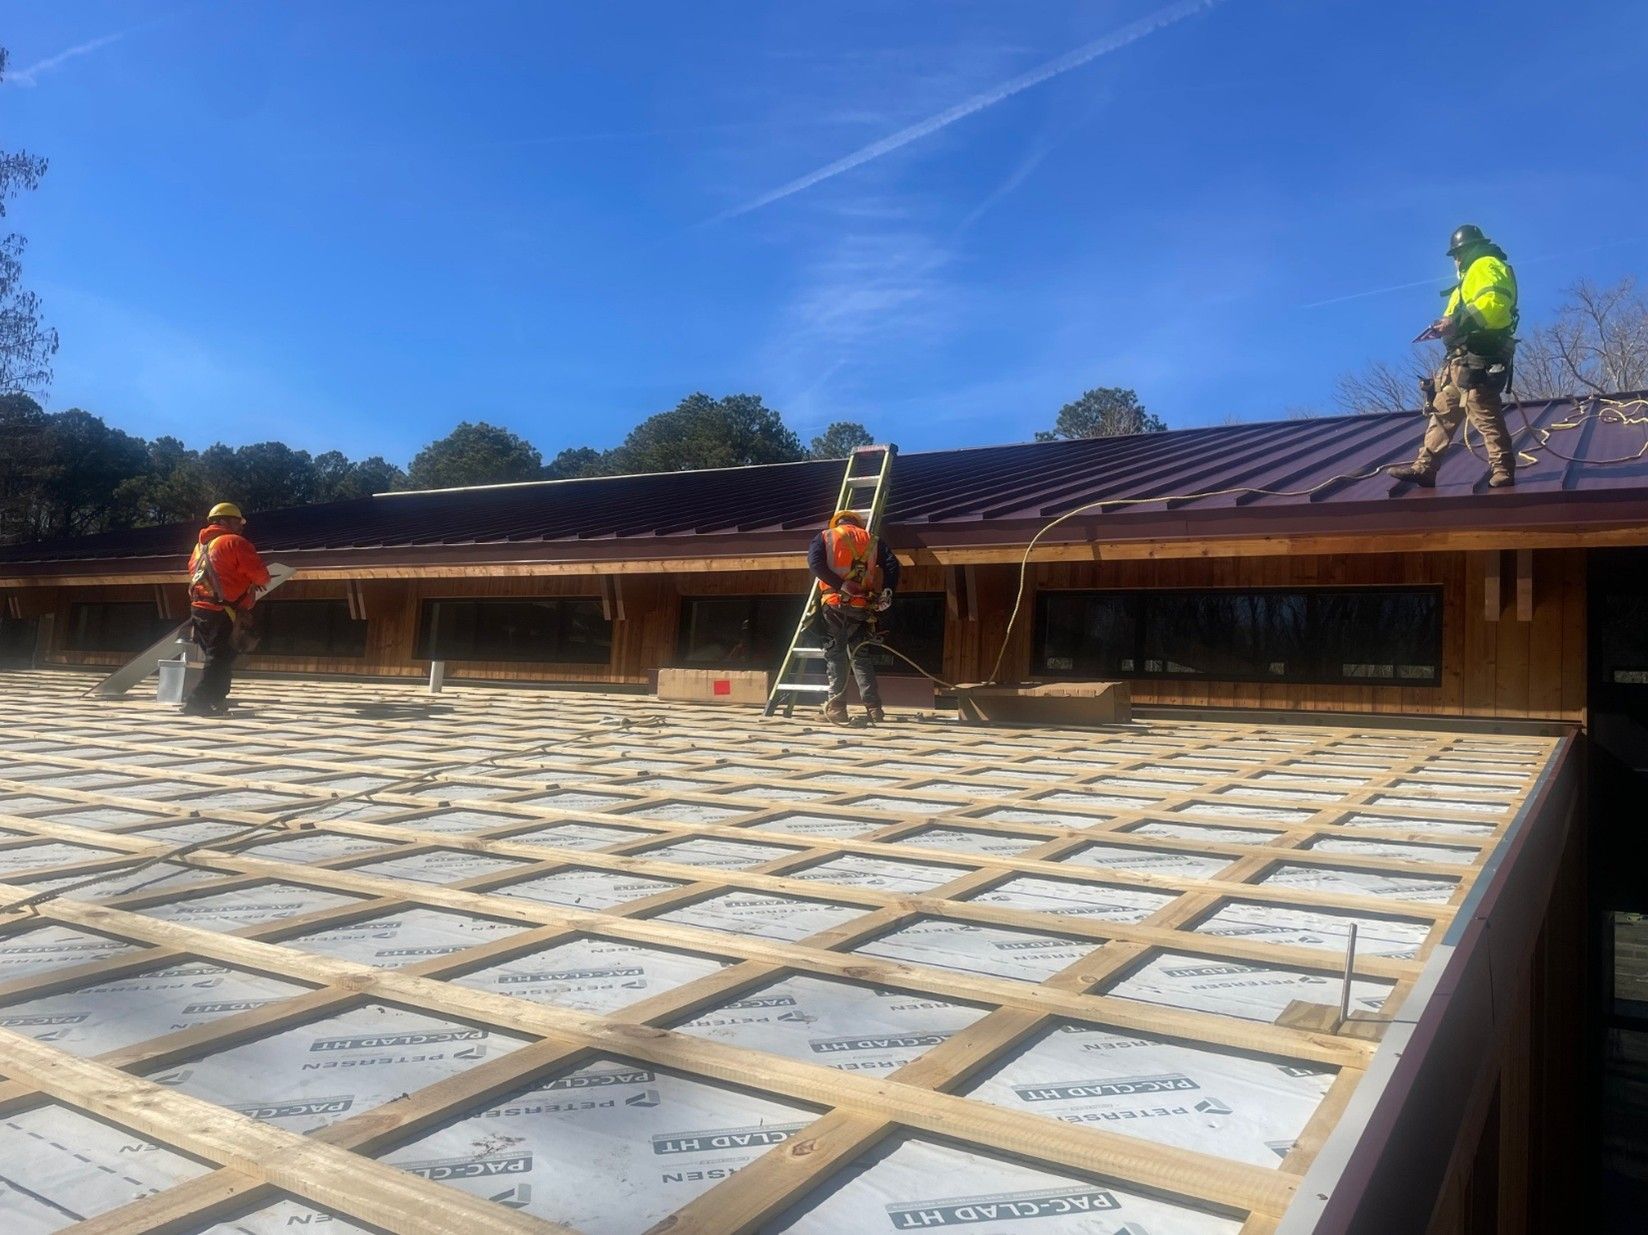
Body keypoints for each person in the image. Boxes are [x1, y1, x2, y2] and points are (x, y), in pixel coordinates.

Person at [1389, 224, 1520, 488]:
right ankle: (1425, 468)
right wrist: (1445, 325)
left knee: (1482, 409)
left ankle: (1503, 468)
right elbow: (1458, 316)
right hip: (1460, 360)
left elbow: (1495, 303)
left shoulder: (1486, 265)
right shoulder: (1467, 278)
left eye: (1458, 253)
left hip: (1481, 354)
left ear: (1470, 249)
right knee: (1442, 411)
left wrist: (1457, 322)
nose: (1456, 259)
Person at [808, 510, 899, 725]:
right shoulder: (873, 540)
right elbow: (893, 565)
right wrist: (887, 591)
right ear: (857, 524)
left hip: (835, 604)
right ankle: (874, 710)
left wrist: (840, 584)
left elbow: (815, 564)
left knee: (836, 655)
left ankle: (837, 709)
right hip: (862, 606)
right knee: (860, 656)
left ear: (838, 522)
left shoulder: (826, 536)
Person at [183, 501, 270, 715]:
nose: (241, 526)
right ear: (222, 521)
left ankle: (217, 700)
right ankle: (197, 703)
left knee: (221, 658)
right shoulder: (235, 542)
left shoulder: (199, 547)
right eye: (237, 521)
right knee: (219, 658)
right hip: (222, 611)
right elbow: (261, 576)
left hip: (200, 609)